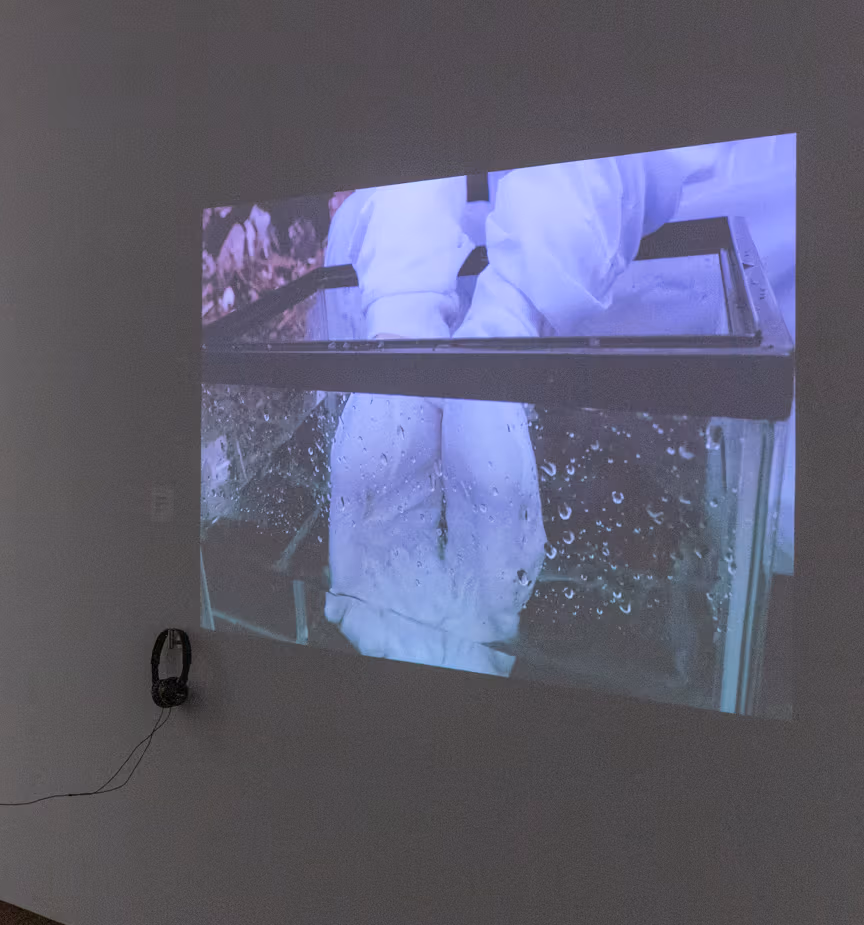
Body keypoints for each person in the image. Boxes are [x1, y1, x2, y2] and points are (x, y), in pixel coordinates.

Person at [321, 137, 796, 675]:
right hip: (566, 261)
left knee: (743, 629)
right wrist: (403, 317)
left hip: (714, 293)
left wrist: (506, 318)